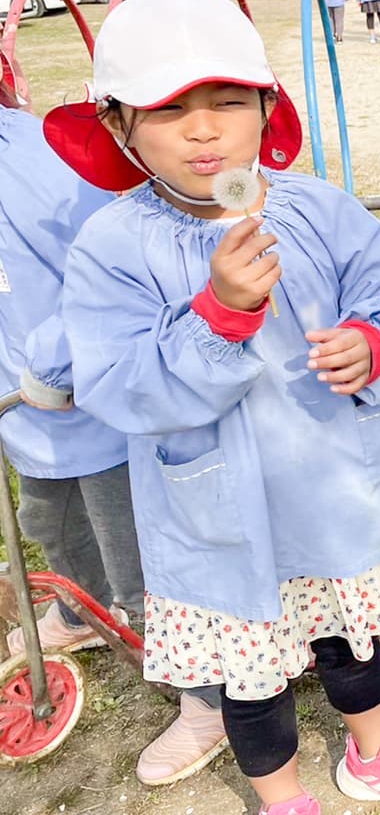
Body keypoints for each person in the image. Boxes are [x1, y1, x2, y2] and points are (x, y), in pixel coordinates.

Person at [44, 0, 380, 815]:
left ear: (266, 108)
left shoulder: (319, 209)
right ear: (118, 126)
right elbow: (119, 381)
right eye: (169, 110)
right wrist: (219, 315)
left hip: (331, 489)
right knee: (252, 683)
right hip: (218, 523)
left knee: (353, 641)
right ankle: (281, 797)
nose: (204, 129)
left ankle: (376, 752)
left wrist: (372, 343)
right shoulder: (113, 245)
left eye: (227, 102)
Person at [1, 101, 228, 787]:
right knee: (50, 523)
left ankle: (209, 700)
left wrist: (62, 365)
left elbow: (109, 278)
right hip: (24, 413)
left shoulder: (41, 159)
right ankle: (78, 606)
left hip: (92, 408)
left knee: (146, 567)